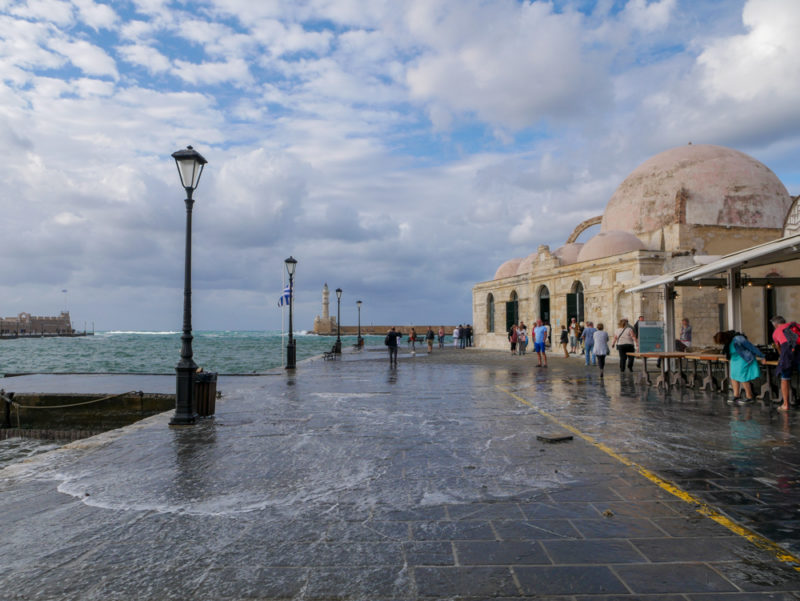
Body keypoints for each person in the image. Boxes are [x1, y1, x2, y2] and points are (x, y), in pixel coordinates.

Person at [714, 330, 764, 404]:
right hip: (734, 359)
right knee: (733, 376)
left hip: (742, 359)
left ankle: (749, 396)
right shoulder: (728, 342)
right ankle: (736, 395)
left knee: (743, 377)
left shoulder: (738, 339)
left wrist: (762, 356)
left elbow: (751, 347)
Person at [770, 316, 800, 411]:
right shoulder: (796, 325)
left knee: (785, 379)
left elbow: (779, 348)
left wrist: (781, 358)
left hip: (787, 352)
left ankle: (786, 404)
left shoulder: (776, 332)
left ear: (775, 324)